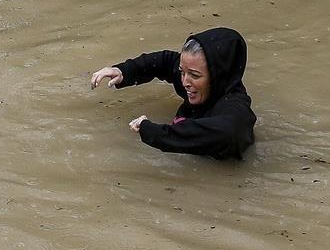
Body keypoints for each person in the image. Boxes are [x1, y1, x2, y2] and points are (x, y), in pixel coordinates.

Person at [90, 27, 256, 159]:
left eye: (194, 75)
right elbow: (164, 61)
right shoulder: (194, 81)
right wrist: (122, 71)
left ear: (218, 75)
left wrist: (153, 131)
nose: (184, 82)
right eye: (182, 72)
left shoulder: (235, 110)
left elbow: (226, 133)